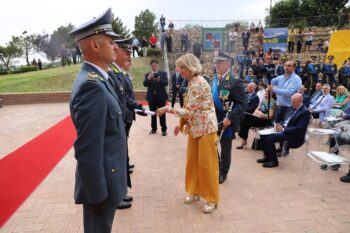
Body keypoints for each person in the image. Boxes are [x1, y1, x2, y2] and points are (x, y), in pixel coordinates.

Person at [68, 8, 127, 233]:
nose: (115, 47)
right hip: (101, 187)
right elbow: (87, 149)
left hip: (107, 179)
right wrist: (98, 196)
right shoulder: (91, 86)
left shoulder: (97, 79)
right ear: (94, 45)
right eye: (110, 41)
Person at [156, 54, 219, 214]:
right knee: (192, 162)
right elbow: (189, 108)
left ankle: (211, 199)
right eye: (179, 67)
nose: (179, 70)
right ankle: (194, 191)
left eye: (182, 67)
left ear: (190, 67)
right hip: (195, 128)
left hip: (206, 128)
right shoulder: (191, 82)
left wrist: (168, 109)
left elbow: (191, 110)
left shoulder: (199, 83)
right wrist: (181, 124)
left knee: (207, 165)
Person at [108, 37, 146, 210]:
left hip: (123, 120)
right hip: (117, 123)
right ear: (116, 52)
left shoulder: (119, 73)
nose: (129, 56)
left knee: (121, 157)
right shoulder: (111, 74)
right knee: (116, 160)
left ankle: (119, 193)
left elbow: (126, 99)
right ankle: (116, 196)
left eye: (130, 53)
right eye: (126, 52)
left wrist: (136, 107)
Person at [212, 51, 247, 184]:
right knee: (211, 145)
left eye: (219, 63)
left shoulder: (235, 81)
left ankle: (223, 173)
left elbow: (243, 104)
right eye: (216, 62)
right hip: (214, 120)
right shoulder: (215, 79)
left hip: (227, 121)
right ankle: (216, 166)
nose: (217, 65)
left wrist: (230, 117)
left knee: (225, 148)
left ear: (228, 64)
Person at [257, 93, 311, 167]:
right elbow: (284, 120)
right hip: (284, 130)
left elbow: (299, 128)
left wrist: (283, 129)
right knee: (262, 134)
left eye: (294, 102)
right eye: (291, 101)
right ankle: (267, 157)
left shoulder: (305, 112)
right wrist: (279, 125)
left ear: (301, 101)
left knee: (269, 138)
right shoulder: (291, 107)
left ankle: (274, 161)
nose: (292, 103)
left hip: (294, 135)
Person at [143, 59, 168, 136]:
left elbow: (166, 83)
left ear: (157, 66)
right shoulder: (148, 74)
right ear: (151, 66)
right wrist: (149, 78)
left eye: (155, 65)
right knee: (153, 113)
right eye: (152, 66)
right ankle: (154, 129)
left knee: (162, 113)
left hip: (161, 97)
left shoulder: (163, 73)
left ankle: (164, 129)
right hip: (151, 97)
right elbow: (145, 84)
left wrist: (159, 79)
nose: (154, 67)